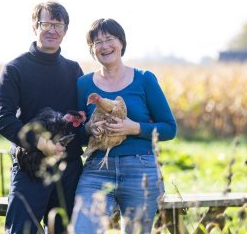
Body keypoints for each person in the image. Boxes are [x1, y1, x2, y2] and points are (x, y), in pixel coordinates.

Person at [71, 18, 177, 233]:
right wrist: (88, 129)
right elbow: (76, 133)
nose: (104, 46)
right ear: (92, 50)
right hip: (97, 168)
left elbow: (169, 128)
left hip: (140, 170)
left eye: (109, 39)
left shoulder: (145, 79)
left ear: (121, 42)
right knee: (82, 229)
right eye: (97, 42)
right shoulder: (83, 84)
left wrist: (135, 128)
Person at [0, 1, 84, 234]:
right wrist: (42, 144)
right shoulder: (15, 69)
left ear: (65, 30)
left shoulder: (74, 70)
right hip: (30, 165)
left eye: (58, 25)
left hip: (69, 167)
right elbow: (3, 120)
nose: (52, 30)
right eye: (46, 23)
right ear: (35, 26)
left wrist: (84, 120)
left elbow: (81, 120)